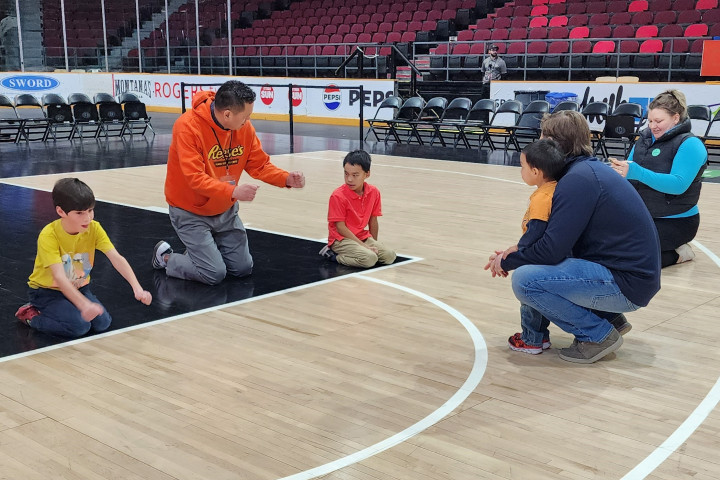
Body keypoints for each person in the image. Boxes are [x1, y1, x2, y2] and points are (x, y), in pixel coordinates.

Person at [486, 110, 661, 364]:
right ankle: (609, 319)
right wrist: (515, 252)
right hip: (628, 276)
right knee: (535, 266)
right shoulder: (585, 171)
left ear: (553, 144)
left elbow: (551, 251)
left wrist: (508, 261)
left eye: (542, 136)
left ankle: (597, 335)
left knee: (526, 280)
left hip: (626, 283)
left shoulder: (577, 180)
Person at [153, 80, 306, 285]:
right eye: (245, 117)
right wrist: (233, 191)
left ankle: (203, 250)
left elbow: (259, 165)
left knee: (242, 269)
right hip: (190, 211)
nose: (248, 121)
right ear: (227, 114)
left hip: (224, 208)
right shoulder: (187, 127)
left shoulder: (244, 128)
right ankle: (165, 258)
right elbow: (194, 179)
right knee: (213, 274)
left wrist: (285, 178)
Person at [15, 178, 152, 337]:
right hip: (47, 292)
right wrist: (84, 305)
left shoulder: (94, 228)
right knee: (79, 327)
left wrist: (137, 288)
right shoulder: (49, 235)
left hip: (79, 287)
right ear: (61, 212)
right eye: (79, 213)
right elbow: (59, 277)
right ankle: (31, 316)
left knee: (102, 323)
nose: (87, 218)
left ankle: (71, 308)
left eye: (90, 210)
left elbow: (116, 258)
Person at [484, 139, 567, 354]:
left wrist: (514, 253)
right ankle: (539, 336)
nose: (520, 171)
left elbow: (536, 230)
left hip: (536, 255)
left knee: (527, 292)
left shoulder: (542, 197)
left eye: (522, 167)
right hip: (544, 253)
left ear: (536, 171)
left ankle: (532, 338)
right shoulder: (553, 188)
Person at [609, 90, 708, 268]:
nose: (653, 126)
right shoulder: (644, 139)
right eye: (650, 121)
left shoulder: (690, 144)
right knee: (605, 245)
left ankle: (678, 254)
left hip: (676, 220)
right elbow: (629, 172)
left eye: (659, 121)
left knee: (630, 258)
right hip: (643, 215)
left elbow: (678, 184)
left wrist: (637, 172)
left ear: (676, 118)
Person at [319, 150, 396, 268]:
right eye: (346, 174)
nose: (349, 179)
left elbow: (373, 220)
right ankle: (333, 255)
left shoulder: (374, 192)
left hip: (362, 236)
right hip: (340, 240)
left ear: (367, 174)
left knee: (390, 256)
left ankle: (363, 252)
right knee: (369, 259)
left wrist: (373, 244)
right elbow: (340, 227)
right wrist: (366, 248)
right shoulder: (338, 196)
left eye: (355, 175)